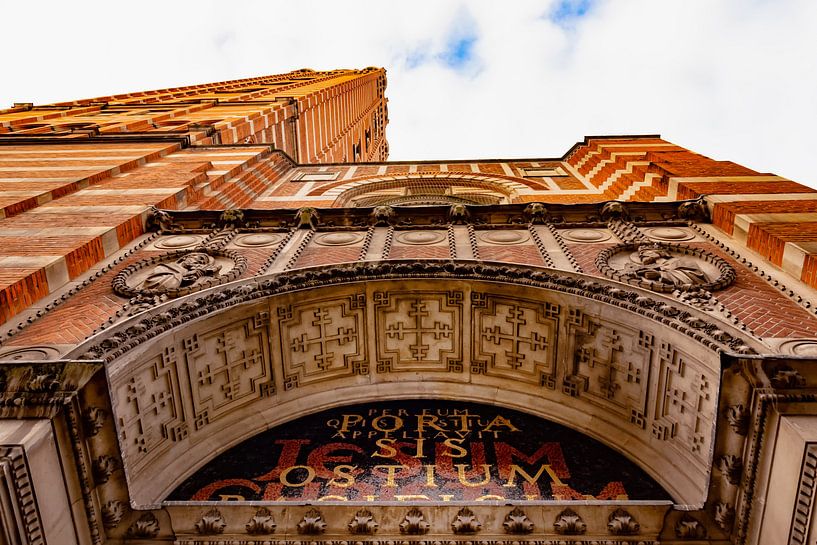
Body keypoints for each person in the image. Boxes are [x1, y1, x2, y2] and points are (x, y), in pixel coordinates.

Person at [141, 252, 221, 291]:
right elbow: (154, 281)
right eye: (199, 258)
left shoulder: (194, 274)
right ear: (184, 258)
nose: (199, 262)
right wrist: (184, 276)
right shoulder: (166, 267)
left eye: (202, 262)